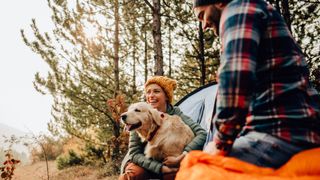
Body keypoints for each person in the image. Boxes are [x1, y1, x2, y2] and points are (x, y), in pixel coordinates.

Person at [193, 0, 320, 168]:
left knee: (201, 169)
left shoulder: (238, 9)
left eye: (202, 15)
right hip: (293, 127)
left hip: (280, 132)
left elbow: (235, 78)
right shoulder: (254, 10)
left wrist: (220, 143)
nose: (204, 26)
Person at [119, 76, 207, 180]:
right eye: (148, 92)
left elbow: (202, 134)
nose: (151, 96)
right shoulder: (138, 116)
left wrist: (182, 156)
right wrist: (160, 168)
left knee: (178, 175)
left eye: (156, 91)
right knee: (133, 175)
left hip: (171, 160)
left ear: (166, 96)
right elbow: (134, 153)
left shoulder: (176, 113)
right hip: (144, 162)